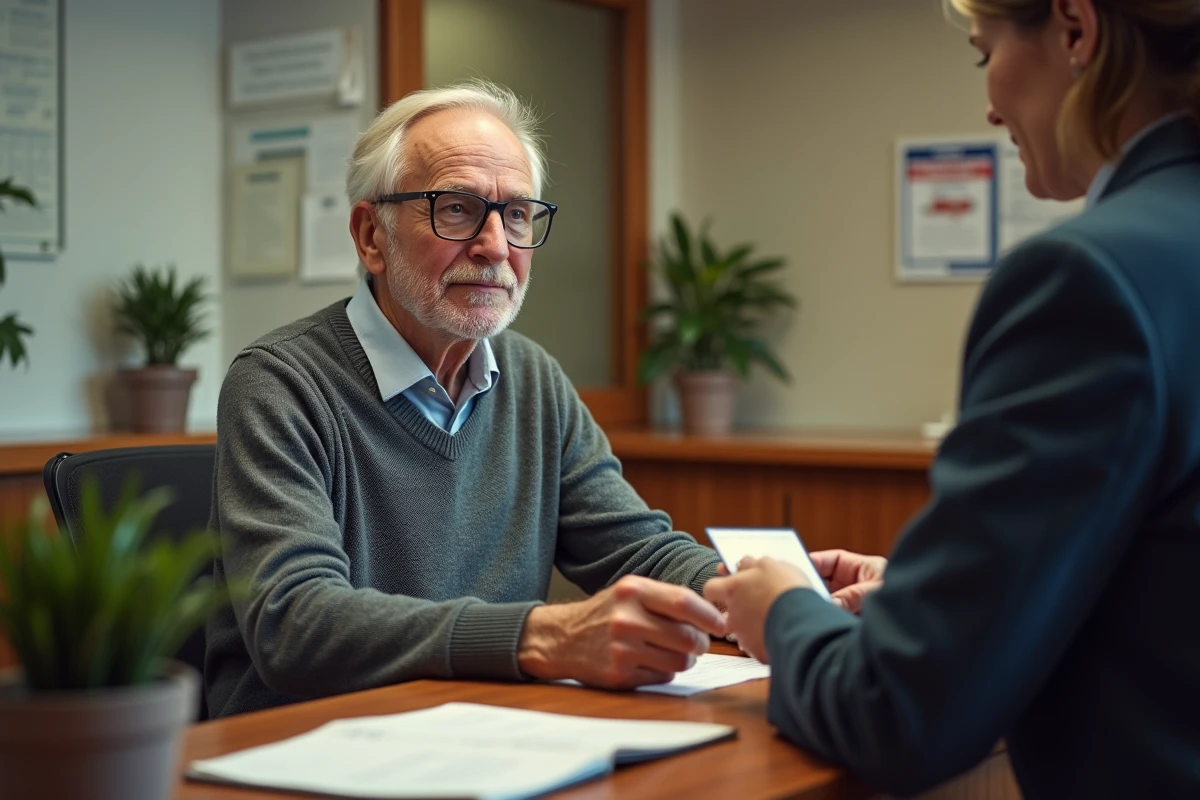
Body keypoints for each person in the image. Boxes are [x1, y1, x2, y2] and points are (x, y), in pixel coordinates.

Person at [706, 1, 1200, 797]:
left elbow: (902, 714)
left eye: (984, 56)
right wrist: (933, 598)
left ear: (1077, 31)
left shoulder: (1089, 279)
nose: (992, 105)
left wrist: (788, 614)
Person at [205, 80, 725, 718]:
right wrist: (542, 636)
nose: (495, 246)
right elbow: (296, 622)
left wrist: (770, 593)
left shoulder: (533, 378)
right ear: (371, 236)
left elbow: (636, 550)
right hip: (301, 748)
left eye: (515, 215)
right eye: (455, 208)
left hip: (479, 732)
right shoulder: (281, 384)